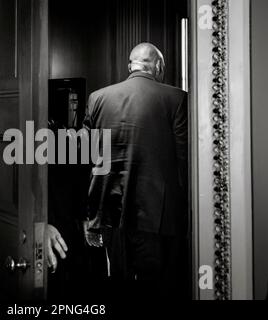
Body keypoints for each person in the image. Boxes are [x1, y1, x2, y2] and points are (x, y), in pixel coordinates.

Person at [82, 43, 189, 300]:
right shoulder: (177, 98)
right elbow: (184, 161)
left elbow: (88, 159)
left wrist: (91, 216)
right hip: (159, 219)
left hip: (110, 215)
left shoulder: (98, 98)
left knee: (117, 285)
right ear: (159, 66)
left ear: (130, 66)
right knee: (158, 289)